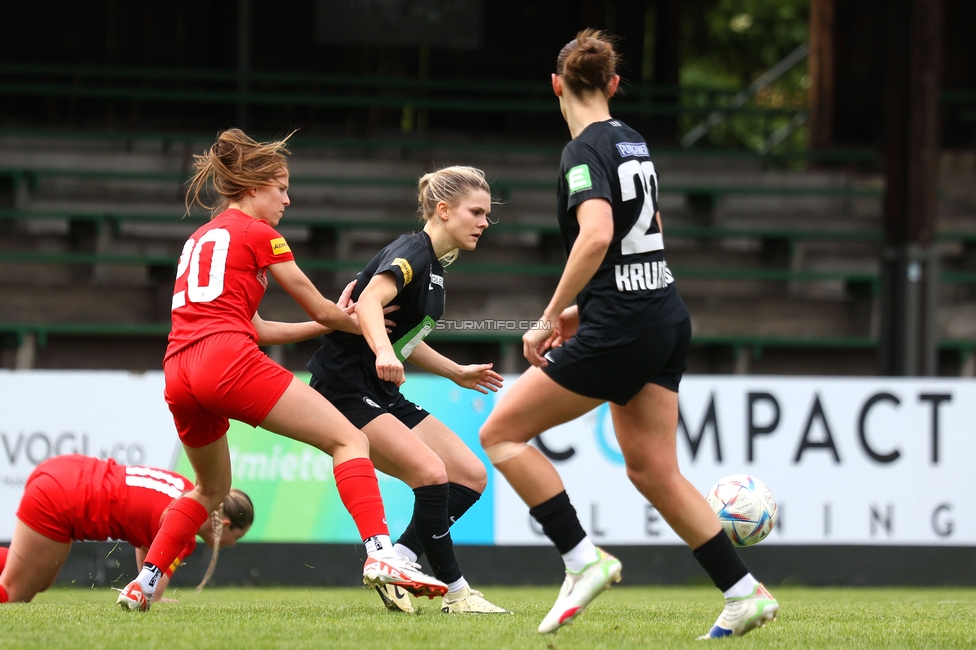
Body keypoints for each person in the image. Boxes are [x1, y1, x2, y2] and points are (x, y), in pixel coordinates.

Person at [478, 30, 779, 639]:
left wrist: (550, 315)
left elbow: (596, 235)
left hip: (625, 326)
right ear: (614, 85)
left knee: (501, 434)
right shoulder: (633, 141)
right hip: (664, 315)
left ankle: (581, 558)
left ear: (556, 85)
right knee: (652, 470)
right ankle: (743, 593)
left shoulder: (581, 151)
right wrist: (584, 310)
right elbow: (648, 234)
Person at [115, 128, 446, 611]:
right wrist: (354, 324)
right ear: (252, 189)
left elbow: (259, 326)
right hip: (226, 359)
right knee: (350, 440)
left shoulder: (201, 237)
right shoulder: (261, 234)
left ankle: (142, 585)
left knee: (211, 489)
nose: (287, 200)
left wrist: (323, 326)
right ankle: (380, 553)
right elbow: (318, 305)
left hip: (179, 369)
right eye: (281, 188)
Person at [306, 166, 508, 615]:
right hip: (345, 385)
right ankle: (456, 593)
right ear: (442, 210)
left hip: (380, 387)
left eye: (487, 215)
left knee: (470, 475)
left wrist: (454, 372)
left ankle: (399, 559)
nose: (484, 223)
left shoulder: (436, 267)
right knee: (432, 474)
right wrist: (382, 352)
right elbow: (370, 302)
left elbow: (405, 340)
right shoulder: (412, 252)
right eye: (476, 212)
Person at [0, 454, 252, 604]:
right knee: (14, 596)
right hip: (63, 499)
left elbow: (147, 544)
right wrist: (153, 595)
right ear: (226, 525)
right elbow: (150, 588)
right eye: (237, 537)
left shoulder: (184, 487)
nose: (233, 543)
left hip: (65, 471)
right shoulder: (184, 530)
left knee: (39, 580)